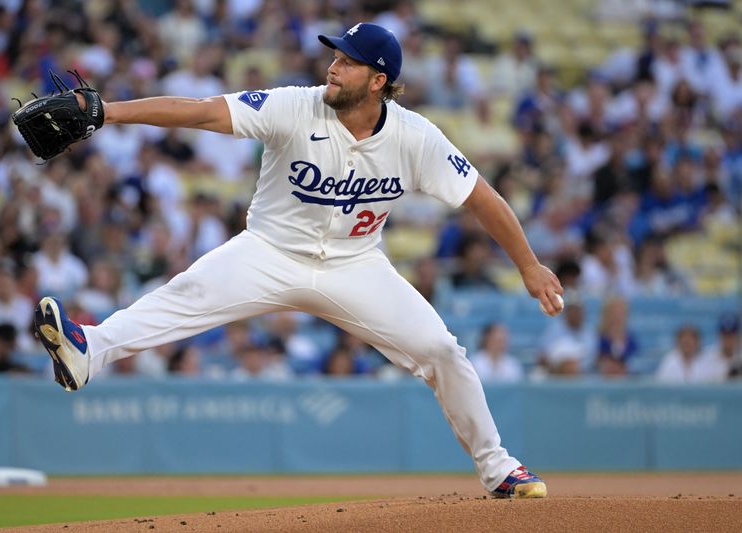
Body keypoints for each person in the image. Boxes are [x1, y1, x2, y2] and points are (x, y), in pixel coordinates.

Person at [30, 23, 563, 498]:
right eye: (333, 57)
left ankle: (499, 470)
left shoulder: (415, 136)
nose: (332, 67)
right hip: (268, 251)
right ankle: (88, 349)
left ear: (378, 80)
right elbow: (202, 111)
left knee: (443, 351)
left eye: (347, 61)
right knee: (183, 296)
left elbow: (482, 198)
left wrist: (529, 266)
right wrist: (107, 111)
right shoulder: (295, 104)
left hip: (355, 266)